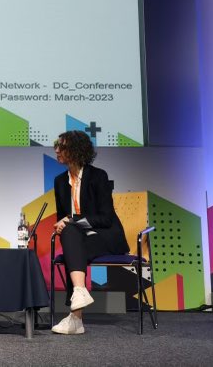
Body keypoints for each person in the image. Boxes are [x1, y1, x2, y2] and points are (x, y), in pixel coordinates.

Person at [51, 130, 128, 335]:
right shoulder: (60, 181)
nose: (57, 150)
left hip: (105, 235)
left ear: (76, 150)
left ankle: (76, 318)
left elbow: (105, 218)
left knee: (72, 245)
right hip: (79, 238)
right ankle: (79, 294)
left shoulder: (98, 176)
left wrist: (71, 220)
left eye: (62, 146)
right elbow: (64, 217)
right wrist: (64, 223)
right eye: (56, 146)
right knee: (70, 236)